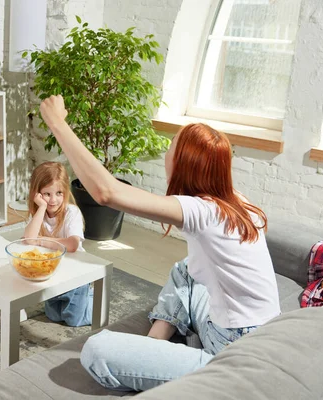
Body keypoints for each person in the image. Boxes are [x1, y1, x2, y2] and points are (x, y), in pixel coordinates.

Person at [39, 95, 281, 391]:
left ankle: (183, 367)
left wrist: (57, 122)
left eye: (171, 147)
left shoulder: (202, 211)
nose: (166, 154)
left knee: (96, 350)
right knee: (185, 270)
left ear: (183, 163)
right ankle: (155, 344)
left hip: (235, 354)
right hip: (258, 333)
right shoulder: (235, 200)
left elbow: (106, 193)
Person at [23, 161, 91, 327]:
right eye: (47, 194)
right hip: (53, 274)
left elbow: (73, 244)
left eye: (59, 193)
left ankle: (93, 298)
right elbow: (28, 239)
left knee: (73, 320)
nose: (53, 200)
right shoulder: (39, 213)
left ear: (65, 192)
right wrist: (40, 208)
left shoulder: (71, 212)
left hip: (76, 276)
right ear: (37, 194)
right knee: (53, 316)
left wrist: (42, 240)